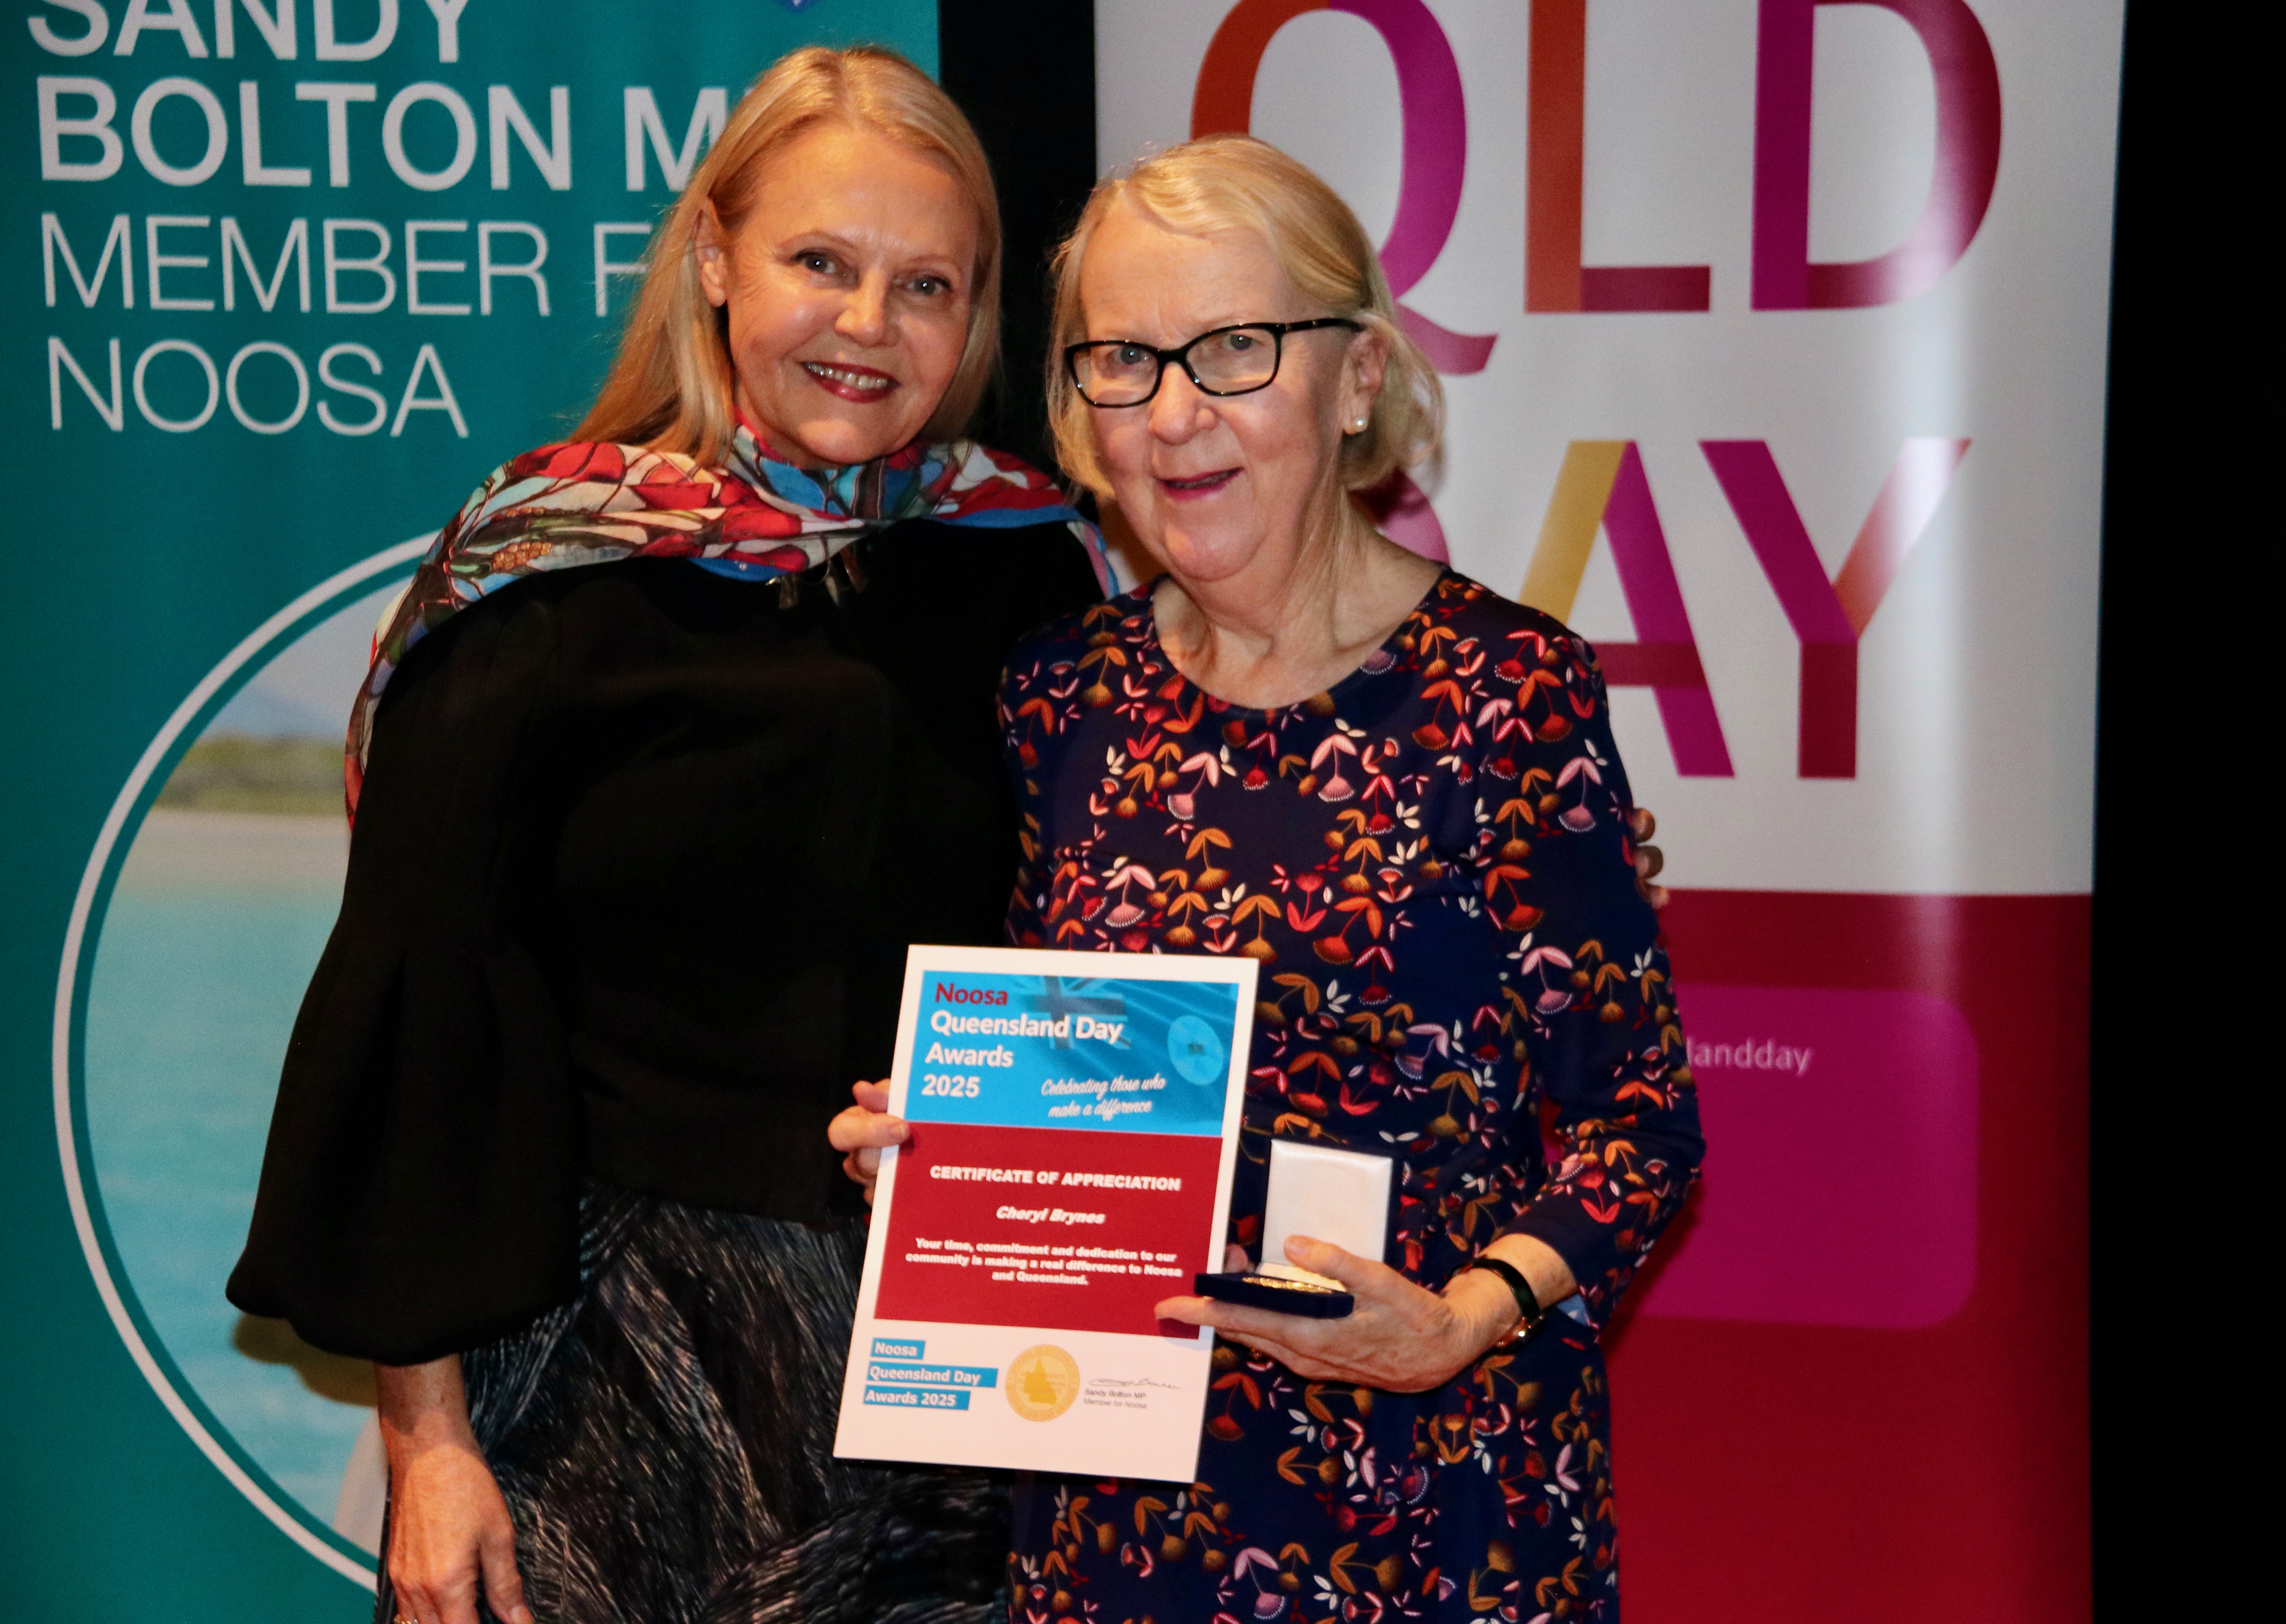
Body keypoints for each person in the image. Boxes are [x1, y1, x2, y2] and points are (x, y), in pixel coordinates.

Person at [225, 47, 1107, 1624]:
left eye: (925, 284)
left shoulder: (1031, 566)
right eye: (820, 262)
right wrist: (429, 1447)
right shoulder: (543, 579)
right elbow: (424, 1012)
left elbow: (1114, 939)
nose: (868, 323)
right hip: (598, 1388)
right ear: (715, 258)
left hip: (954, 1380)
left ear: (975, 316)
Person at [841, 133, 1705, 1624]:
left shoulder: (1508, 694)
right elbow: (1066, 1081)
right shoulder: (1060, 697)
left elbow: (1641, 1127)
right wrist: (937, 1157)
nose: (1175, 413)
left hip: (1437, 1502)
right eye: (1124, 360)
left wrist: (1462, 1320)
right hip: (1118, 1518)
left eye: (1236, 348)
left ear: (1356, 378)